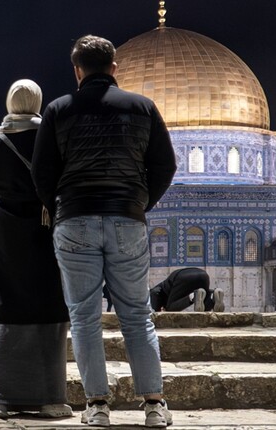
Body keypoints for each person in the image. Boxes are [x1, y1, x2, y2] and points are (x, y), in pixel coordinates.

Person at [33, 35, 178, 428]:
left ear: (77, 71)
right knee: (137, 315)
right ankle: (153, 405)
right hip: (126, 219)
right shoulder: (142, 107)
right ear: (114, 68)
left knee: (84, 318)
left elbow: (42, 172)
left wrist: (61, 207)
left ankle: (97, 406)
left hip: (75, 219)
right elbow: (165, 166)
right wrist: (138, 203)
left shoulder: (59, 109)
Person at [0, 79, 72, 421]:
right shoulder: (54, 142)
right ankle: (51, 399)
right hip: (46, 230)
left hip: (6, 235)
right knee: (48, 308)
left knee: (6, 309)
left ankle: (2, 400)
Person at [150, 267, 224, 313]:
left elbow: (154, 293)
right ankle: (213, 296)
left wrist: (157, 311)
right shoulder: (166, 290)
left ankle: (193, 296)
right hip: (203, 275)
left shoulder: (156, 291)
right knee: (204, 304)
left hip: (183, 277)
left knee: (171, 308)